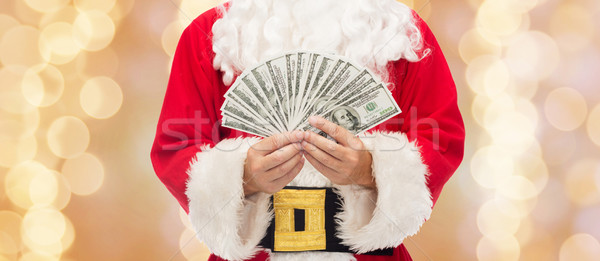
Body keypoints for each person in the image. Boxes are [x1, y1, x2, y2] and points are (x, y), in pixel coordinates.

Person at [150, 0, 465, 260]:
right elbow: (176, 147)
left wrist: (370, 169)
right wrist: (243, 174)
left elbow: (442, 137)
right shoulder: (211, 34)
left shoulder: (401, 33)